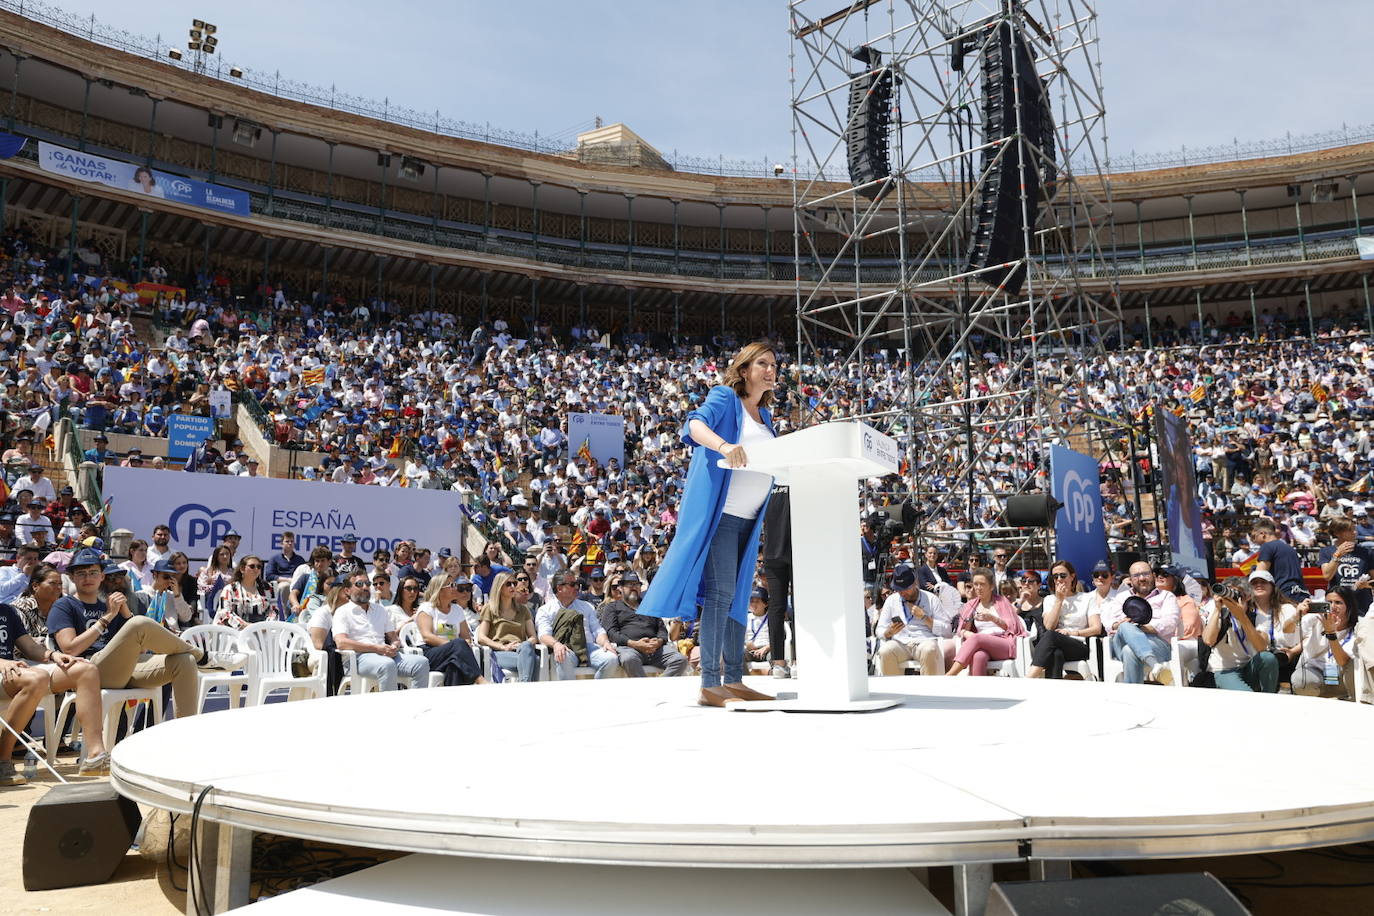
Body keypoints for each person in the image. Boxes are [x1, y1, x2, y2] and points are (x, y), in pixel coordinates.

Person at [639, 341, 778, 707]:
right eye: (762, 363)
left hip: (750, 522)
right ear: (744, 369)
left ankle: (734, 679)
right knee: (719, 597)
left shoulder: (767, 418)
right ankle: (709, 683)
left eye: (773, 364)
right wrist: (724, 445)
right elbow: (694, 424)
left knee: (735, 598)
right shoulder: (725, 398)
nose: (771, 369)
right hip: (723, 515)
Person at [49, 547, 228, 719]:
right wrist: (106, 618)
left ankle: (181, 735)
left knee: (184, 661)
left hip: (121, 668)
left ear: (102, 576)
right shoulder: (64, 605)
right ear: (71, 577)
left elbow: (140, 648)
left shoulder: (110, 604)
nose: (88, 577)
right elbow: (70, 649)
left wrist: (124, 612)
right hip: (89, 669)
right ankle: (202, 657)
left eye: (93, 572)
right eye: (81, 573)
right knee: (140, 622)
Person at [0, 599, 110, 783]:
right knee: (36, 678)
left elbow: (30, 647)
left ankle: (95, 756)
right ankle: (3, 758)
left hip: (11, 673)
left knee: (85, 670)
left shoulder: (6, 610)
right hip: (7, 669)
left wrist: (53, 655)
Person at [331, 570, 430, 691]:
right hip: (359, 658)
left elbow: (393, 637)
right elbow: (342, 643)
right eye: (359, 584)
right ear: (347, 590)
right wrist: (376, 648)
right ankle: (388, 708)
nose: (365, 587)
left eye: (367, 583)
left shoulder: (380, 610)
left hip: (385, 654)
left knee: (421, 663)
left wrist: (394, 645)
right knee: (387, 665)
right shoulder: (342, 612)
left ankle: (417, 706)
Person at [1100, 561, 1180, 685]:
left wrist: (1140, 628)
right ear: (1130, 580)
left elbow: (1170, 624)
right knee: (1126, 626)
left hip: (1157, 644)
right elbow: (1109, 623)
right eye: (1136, 575)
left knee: (1130, 651)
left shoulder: (1166, 596)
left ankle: (1133, 697)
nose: (1142, 578)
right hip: (1121, 641)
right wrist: (1121, 625)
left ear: (1153, 575)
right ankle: (1155, 666)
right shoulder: (1121, 597)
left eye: (1145, 574)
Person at [597, 571, 689, 676]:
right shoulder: (612, 607)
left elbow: (661, 629)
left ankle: (657, 689)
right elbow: (611, 632)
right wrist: (634, 643)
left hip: (655, 648)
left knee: (680, 660)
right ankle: (646, 690)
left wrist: (658, 641)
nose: (633, 587)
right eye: (629, 584)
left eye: (636, 584)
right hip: (629, 648)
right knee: (629, 659)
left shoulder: (649, 606)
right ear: (620, 588)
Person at [536, 571, 622, 680]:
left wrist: (605, 642)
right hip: (566, 649)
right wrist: (556, 644)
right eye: (572, 584)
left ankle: (594, 694)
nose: (576, 587)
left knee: (611, 659)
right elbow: (543, 635)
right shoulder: (546, 610)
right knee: (563, 656)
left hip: (588, 648)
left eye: (577, 584)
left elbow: (598, 631)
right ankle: (570, 695)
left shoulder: (587, 607)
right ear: (559, 588)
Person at [1027, 560, 1101, 679]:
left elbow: (1096, 628)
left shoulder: (1087, 598)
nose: (1059, 579)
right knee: (1056, 654)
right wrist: (1059, 600)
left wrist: (1072, 633)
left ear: (1072, 576)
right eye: (1055, 576)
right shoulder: (1050, 600)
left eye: (1063, 575)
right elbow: (1049, 626)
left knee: (1051, 636)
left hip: (1079, 645)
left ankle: (1029, 678)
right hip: (1055, 645)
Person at [1201, 579, 1279, 693]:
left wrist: (1241, 616)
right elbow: (1208, 640)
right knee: (1247, 696)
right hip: (1224, 671)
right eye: (1228, 596)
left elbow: (1262, 647)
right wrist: (1218, 608)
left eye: (1237, 596)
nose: (1233, 601)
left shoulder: (1256, 616)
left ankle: (1269, 697)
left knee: (1268, 658)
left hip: (1248, 668)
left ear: (1247, 597)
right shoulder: (1220, 615)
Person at [945, 567, 1026, 676]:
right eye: (975, 584)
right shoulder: (971, 605)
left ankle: (950, 675)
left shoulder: (1002, 602)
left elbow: (1011, 627)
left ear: (991, 586)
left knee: (977, 638)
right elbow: (961, 629)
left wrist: (992, 618)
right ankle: (979, 692)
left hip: (1004, 643)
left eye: (982, 584)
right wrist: (966, 631)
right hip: (982, 644)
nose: (978, 588)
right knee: (978, 656)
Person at [875, 564, 952, 676]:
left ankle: (929, 691)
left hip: (924, 641)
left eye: (905, 589)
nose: (902, 593)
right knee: (885, 651)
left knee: (929, 649)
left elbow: (948, 631)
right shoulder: (892, 600)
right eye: (898, 590)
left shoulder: (931, 599)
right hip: (900, 642)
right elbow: (879, 629)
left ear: (915, 583)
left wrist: (925, 618)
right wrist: (888, 632)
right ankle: (894, 692)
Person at [415, 573, 485, 686]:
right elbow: (427, 636)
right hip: (430, 652)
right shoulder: (427, 608)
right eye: (450, 585)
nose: (455, 588)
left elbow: (466, 636)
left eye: (454, 584)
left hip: (453, 653)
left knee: (454, 666)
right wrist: (453, 646)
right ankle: (479, 679)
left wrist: (462, 646)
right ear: (439, 589)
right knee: (458, 645)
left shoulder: (457, 609)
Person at [476, 571, 540, 682]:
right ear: (499, 587)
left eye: (514, 583)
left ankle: (524, 686)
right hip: (500, 652)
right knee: (534, 661)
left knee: (527, 648)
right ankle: (526, 687)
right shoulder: (490, 609)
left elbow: (533, 637)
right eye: (508, 584)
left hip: (520, 650)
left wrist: (522, 645)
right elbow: (481, 637)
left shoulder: (523, 610)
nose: (513, 587)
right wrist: (503, 647)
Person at [1247, 569, 1303, 684]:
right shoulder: (1246, 612)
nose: (1259, 585)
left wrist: (1292, 652)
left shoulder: (1287, 609)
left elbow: (1302, 638)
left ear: (1272, 586)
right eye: (1254, 582)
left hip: (1286, 661)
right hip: (1256, 662)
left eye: (1263, 582)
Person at [1318, 518, 1374, 618]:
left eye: (1355, 529)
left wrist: (1366, 585)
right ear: (1337, 533)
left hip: (1362, 605)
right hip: (1338, 606)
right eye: (1350, 530)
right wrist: (1337, 555)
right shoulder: (1326, 551)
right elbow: (1327, 576)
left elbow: (1373, 580)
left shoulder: (1366, 552)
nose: (1355, 532)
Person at [1253, 517, 1308, 602]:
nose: (1254, 540)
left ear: (1262, 534)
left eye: (1255, 536)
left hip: (1283, 596)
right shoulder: (1290, 548)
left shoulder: (1267, 546)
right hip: (1301, 594)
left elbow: (1260, 576)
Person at [213, 555, 274, 628]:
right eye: (252, 566)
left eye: (259, 567)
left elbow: (274, 610)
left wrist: (266, 626)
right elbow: (224, 613)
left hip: (262, 631)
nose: (256, 569)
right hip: (234, 631)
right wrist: (246, 625)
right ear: (242, 569)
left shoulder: (267, 588)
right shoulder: (230, 589)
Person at [290, 546, 333, 621]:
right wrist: (296, 604)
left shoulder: (334, 580)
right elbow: (293, 594)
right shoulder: (305, 577)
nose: (319, 564)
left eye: (323, 561)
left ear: (329, 562)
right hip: (303, 616)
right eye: (317, 561)